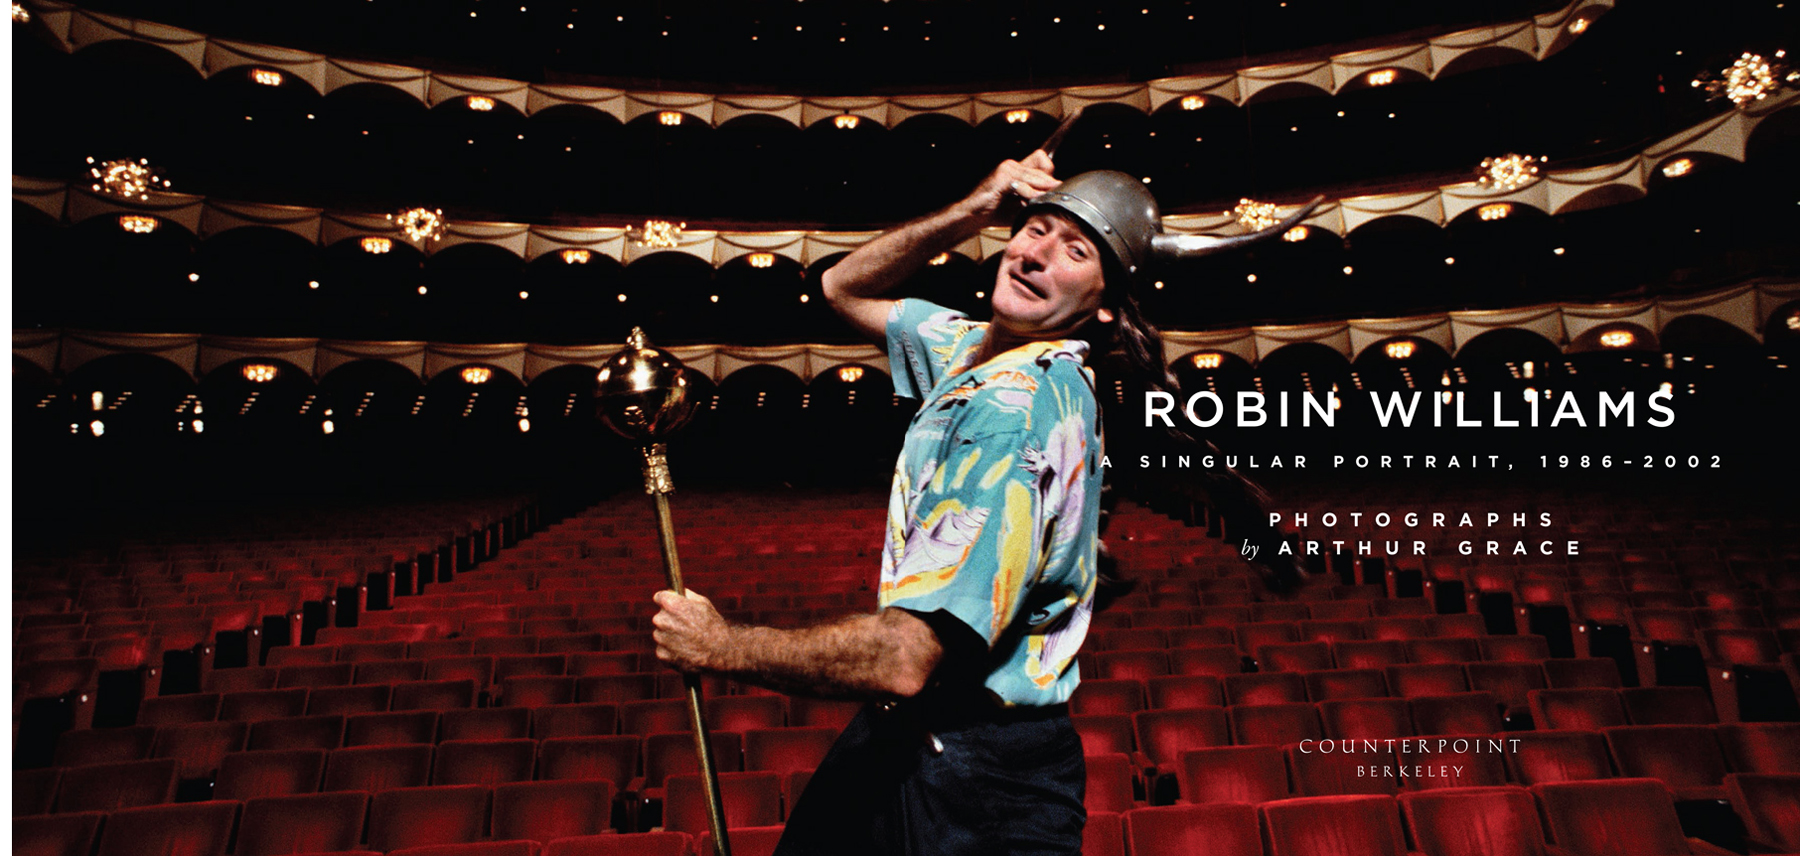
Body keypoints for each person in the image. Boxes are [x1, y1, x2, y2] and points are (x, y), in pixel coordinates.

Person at [651, 150, 1312, 855]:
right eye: (1035, 230)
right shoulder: (969, 347)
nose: (1037, 255)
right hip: (914, 739)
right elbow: (842, 285)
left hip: (981, 781)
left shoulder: (1013, 408)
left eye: (1076, 250)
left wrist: (723, 646)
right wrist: (977, 204)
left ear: (1104, 304)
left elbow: (905, 659)